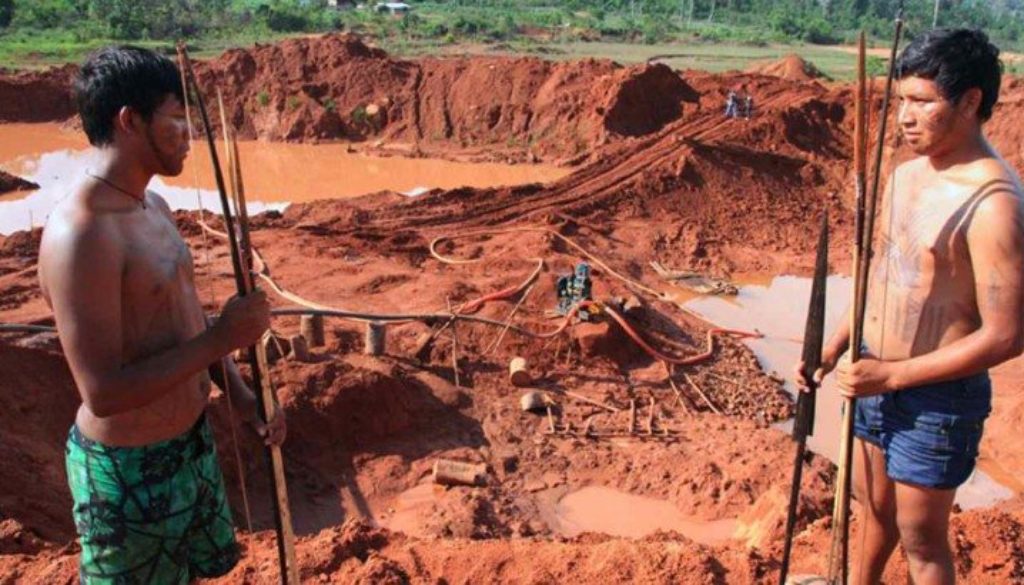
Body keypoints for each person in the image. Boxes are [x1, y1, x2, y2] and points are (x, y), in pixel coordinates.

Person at [38, 46, 286, 583]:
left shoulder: (154, 207)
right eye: (176, 119)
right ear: (130, 121)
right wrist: (224, 339)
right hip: (128, 474)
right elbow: (101, 390)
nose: (188, 137)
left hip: (189, 444)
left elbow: (184, 319)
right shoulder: (82, 235)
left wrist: (240, 396)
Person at [796, 29, 1022, 584]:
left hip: (934, 399)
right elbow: (883, 276)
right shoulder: (903, 176)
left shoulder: (993, 204)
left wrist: (894, 376)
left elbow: (1007, 335)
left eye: (923, 102)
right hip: (872, 376)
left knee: (923, 540)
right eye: (901, 100)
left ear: (970, 102)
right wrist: (833, 346)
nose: (904, 116)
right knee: (874, 513)